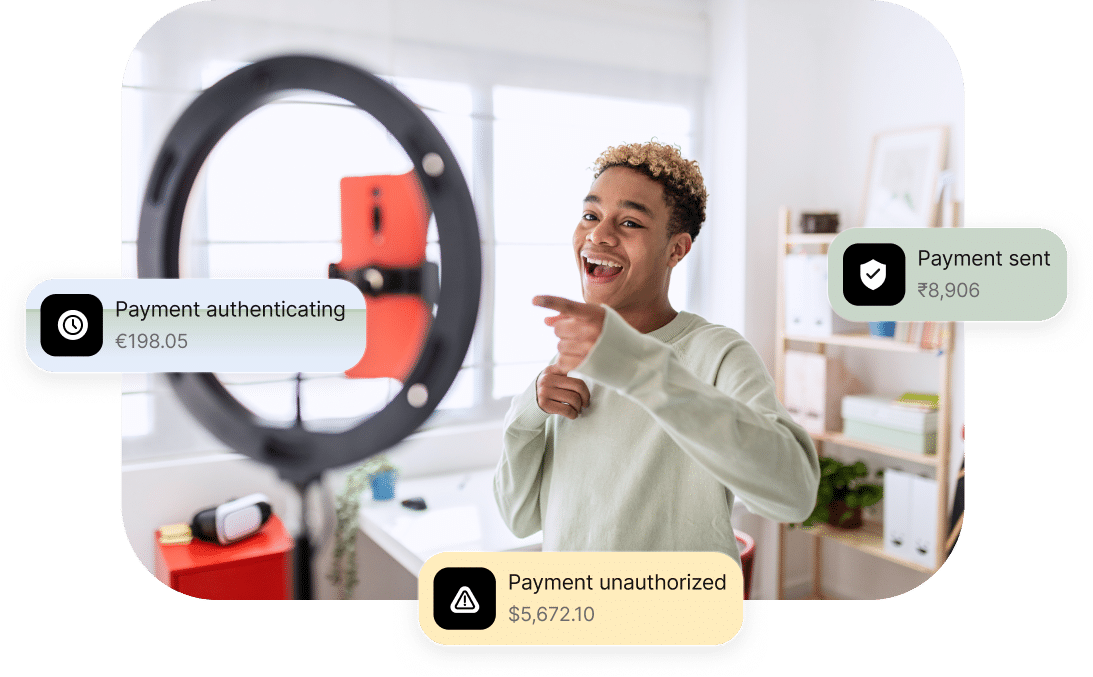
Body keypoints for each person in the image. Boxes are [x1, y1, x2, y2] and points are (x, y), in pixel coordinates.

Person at [493, 141, 819, 564]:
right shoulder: (576, 361)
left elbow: (793, 497)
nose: (598, 234)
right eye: (591, 215)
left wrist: (638, 369)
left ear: (676, 249)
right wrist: (529, 411)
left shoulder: (717, 354)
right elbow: (518, 519)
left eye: (629, 222)